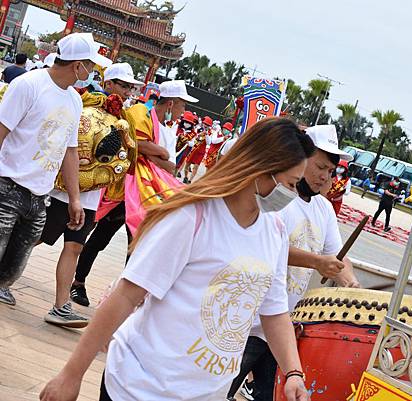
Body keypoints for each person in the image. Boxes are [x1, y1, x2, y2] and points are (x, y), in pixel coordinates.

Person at [40, 117, 314, 401]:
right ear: (261, 170)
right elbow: (125, 295)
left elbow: (275, 311)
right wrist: (71, 375)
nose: (291, 196)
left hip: (206, 393)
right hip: (141, 387)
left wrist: (293, 373)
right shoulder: (193, 217)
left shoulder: (276, 231)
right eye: (290, 184)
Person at [227, 124, 360, 401]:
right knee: (219, 390)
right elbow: (266, 247)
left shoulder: (323, 208)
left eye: (331, 172)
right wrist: (316, 262)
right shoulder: (276, 199)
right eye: (320, 167)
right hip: (249, 323)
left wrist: (351, 286)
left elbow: (337, 256)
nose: (325, 177)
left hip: (285, 327)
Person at [0, 33, 110, 306]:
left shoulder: (74, 100)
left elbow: (69, 152)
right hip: (7, 184)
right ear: (77, 66)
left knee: (12, 268)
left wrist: (75, 199)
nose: (91, 73)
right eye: (91, 66)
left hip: (39, 195)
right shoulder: (29, 85)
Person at [69, 80, 194, 307]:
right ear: (171, 103)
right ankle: (77, 283)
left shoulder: (169, 128)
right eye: (182, 106)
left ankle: (126, 300)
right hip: (124, 187)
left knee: (137, 246)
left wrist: (160, 157)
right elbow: (135, 144)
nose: (183, 112)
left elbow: (162, 159)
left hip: (146, 191)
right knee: (99, 238)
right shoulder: (140, 112)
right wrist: (161, 154)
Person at [182, 115, 212, 183]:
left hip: (200, 152)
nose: (206, 125)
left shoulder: (210, 133)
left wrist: (206, 134)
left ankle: (190, 180)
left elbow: (209, 142)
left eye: (207, 125)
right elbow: (193, 137)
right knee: (187, 164)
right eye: (205, 124)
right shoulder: (197, 129)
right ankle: (186, 177)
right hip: (193, 149)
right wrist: (199, 135)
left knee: (195, 167)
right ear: (202, 123)